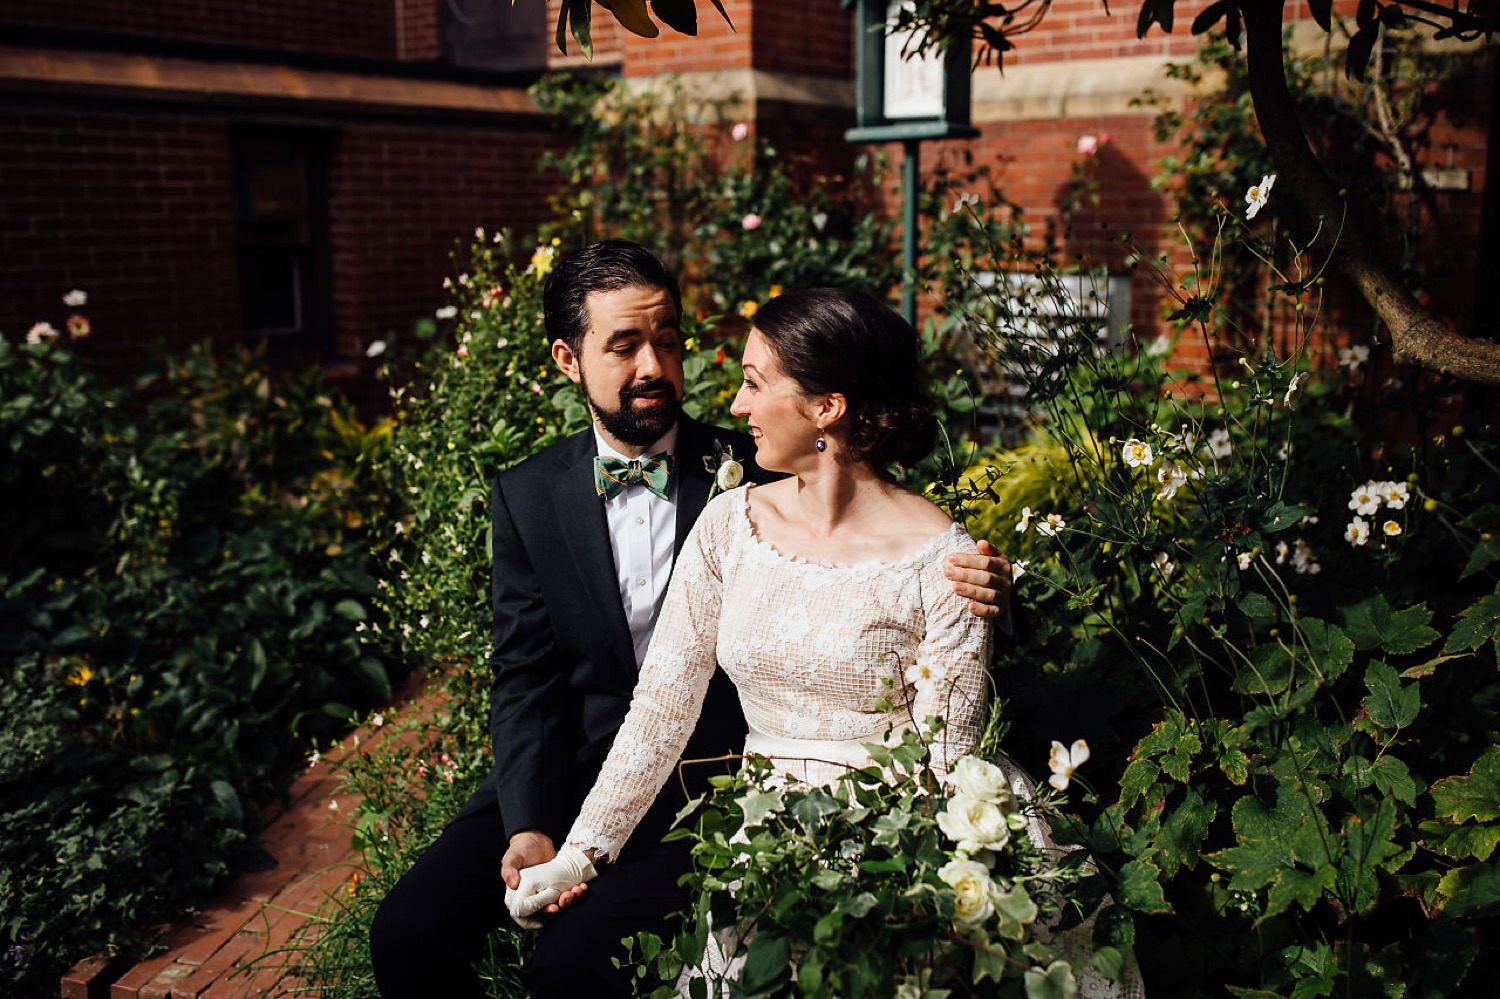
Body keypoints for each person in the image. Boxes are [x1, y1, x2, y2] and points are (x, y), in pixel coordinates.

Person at [368, 243, 1017, 999]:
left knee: (571, 967)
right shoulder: (529, 493)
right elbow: (525, 677)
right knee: (406, 933)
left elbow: (892, 541)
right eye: (624, 345)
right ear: (567, 359)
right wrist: (533, 825)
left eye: (668, 341)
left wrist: (1000, 586)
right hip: (580, 766)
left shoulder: (765, 460)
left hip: (715, 780)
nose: (654, 365)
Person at [506, 285, 991, 920]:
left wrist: (870, 890)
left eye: (754, 384)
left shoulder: (946, 561)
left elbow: (945, 761)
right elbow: (660, 709)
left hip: (897, 851)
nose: (737, 406)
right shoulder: (727, 526)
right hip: (758, 835)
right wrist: (580, 855)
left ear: (827, 407)